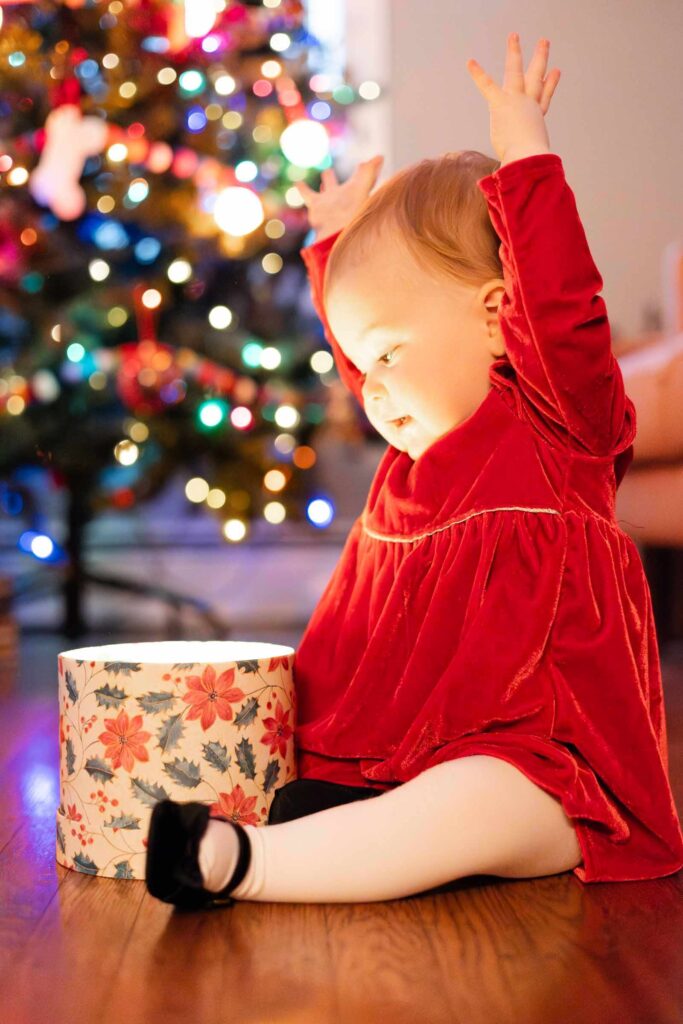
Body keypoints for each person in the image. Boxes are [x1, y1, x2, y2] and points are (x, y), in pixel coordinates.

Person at [145, 33, 683, 912]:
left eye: (391, 354)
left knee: (478, 797)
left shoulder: (558, 427)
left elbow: (562, 306)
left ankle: (243, 865)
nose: (373, 390)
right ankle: (330, 832)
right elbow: (368, 357)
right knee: (389, 792)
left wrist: (526, 155)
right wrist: (330, 252)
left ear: (495, 315)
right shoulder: (414, 453)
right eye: (365, 365)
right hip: (397, 746)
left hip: (549, 771)